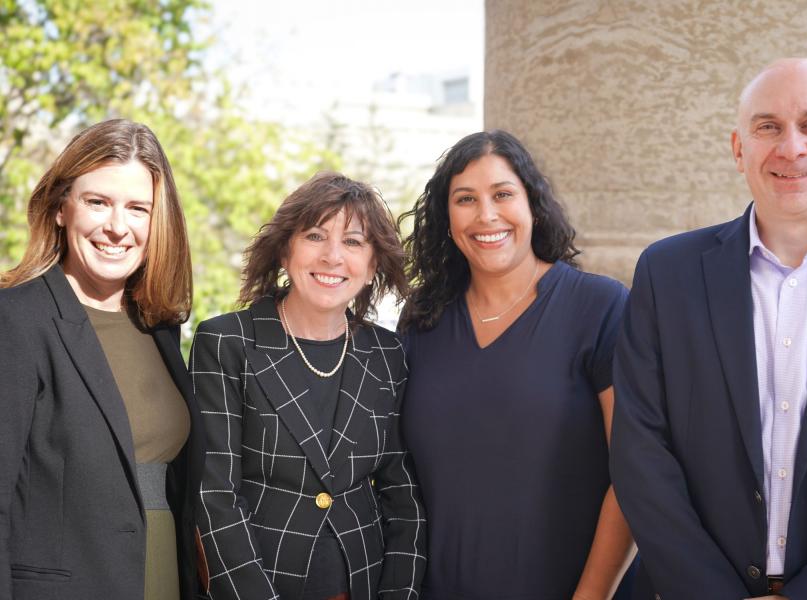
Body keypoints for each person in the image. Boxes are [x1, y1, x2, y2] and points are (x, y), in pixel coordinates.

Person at [611, 57, 807, 599]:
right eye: (767, 126)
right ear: (739, 149)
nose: (791, 147)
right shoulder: (667, 273)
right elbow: (640, 452)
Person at [399, 130, 635, 600]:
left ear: (532, 204)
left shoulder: (600, 306)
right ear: (447, 219)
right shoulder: (423, 318)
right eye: (465, 199)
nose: (486, 215)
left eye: (503, 194)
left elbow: (633, 475)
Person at [192, 172, 425, 600]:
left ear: (373, 265)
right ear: (285, 250)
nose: (333, 256)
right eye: (315, 236)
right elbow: (215, 496)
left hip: (363, 583)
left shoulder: (388, 354)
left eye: (354, 242)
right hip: (260, 583)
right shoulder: (227, 342)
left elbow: (403, 497)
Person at [0, 119, 203, 599]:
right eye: (98, 202)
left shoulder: (159, 326)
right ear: (60, 209)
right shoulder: (16, 320)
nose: (117, 226)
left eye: (138, 208)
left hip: (161, 578)